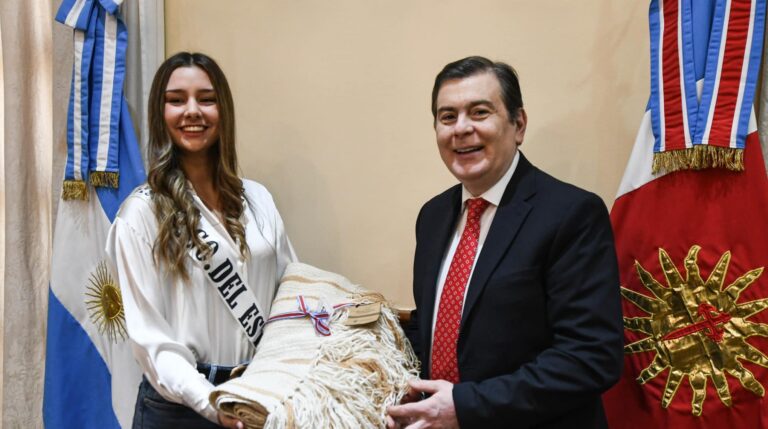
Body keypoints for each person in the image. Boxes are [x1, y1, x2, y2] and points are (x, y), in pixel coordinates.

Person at [387, 56, 623, 428]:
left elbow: (589, 357)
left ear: (518, 124)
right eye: (447, 117)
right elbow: (436, 328)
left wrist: (464, 407)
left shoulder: (572, 214)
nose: (461, 129)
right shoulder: (432, 217)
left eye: (479, 112)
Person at [107, 52, 296, 429]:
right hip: (180, 410)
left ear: (222, 110)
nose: (192, 110)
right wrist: (212, 404)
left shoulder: (258, 199)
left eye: (206, 99)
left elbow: (290, 292)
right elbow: (151, 341)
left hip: (256, 397)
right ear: (160, 114)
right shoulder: (140, 214)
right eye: (176, 100)